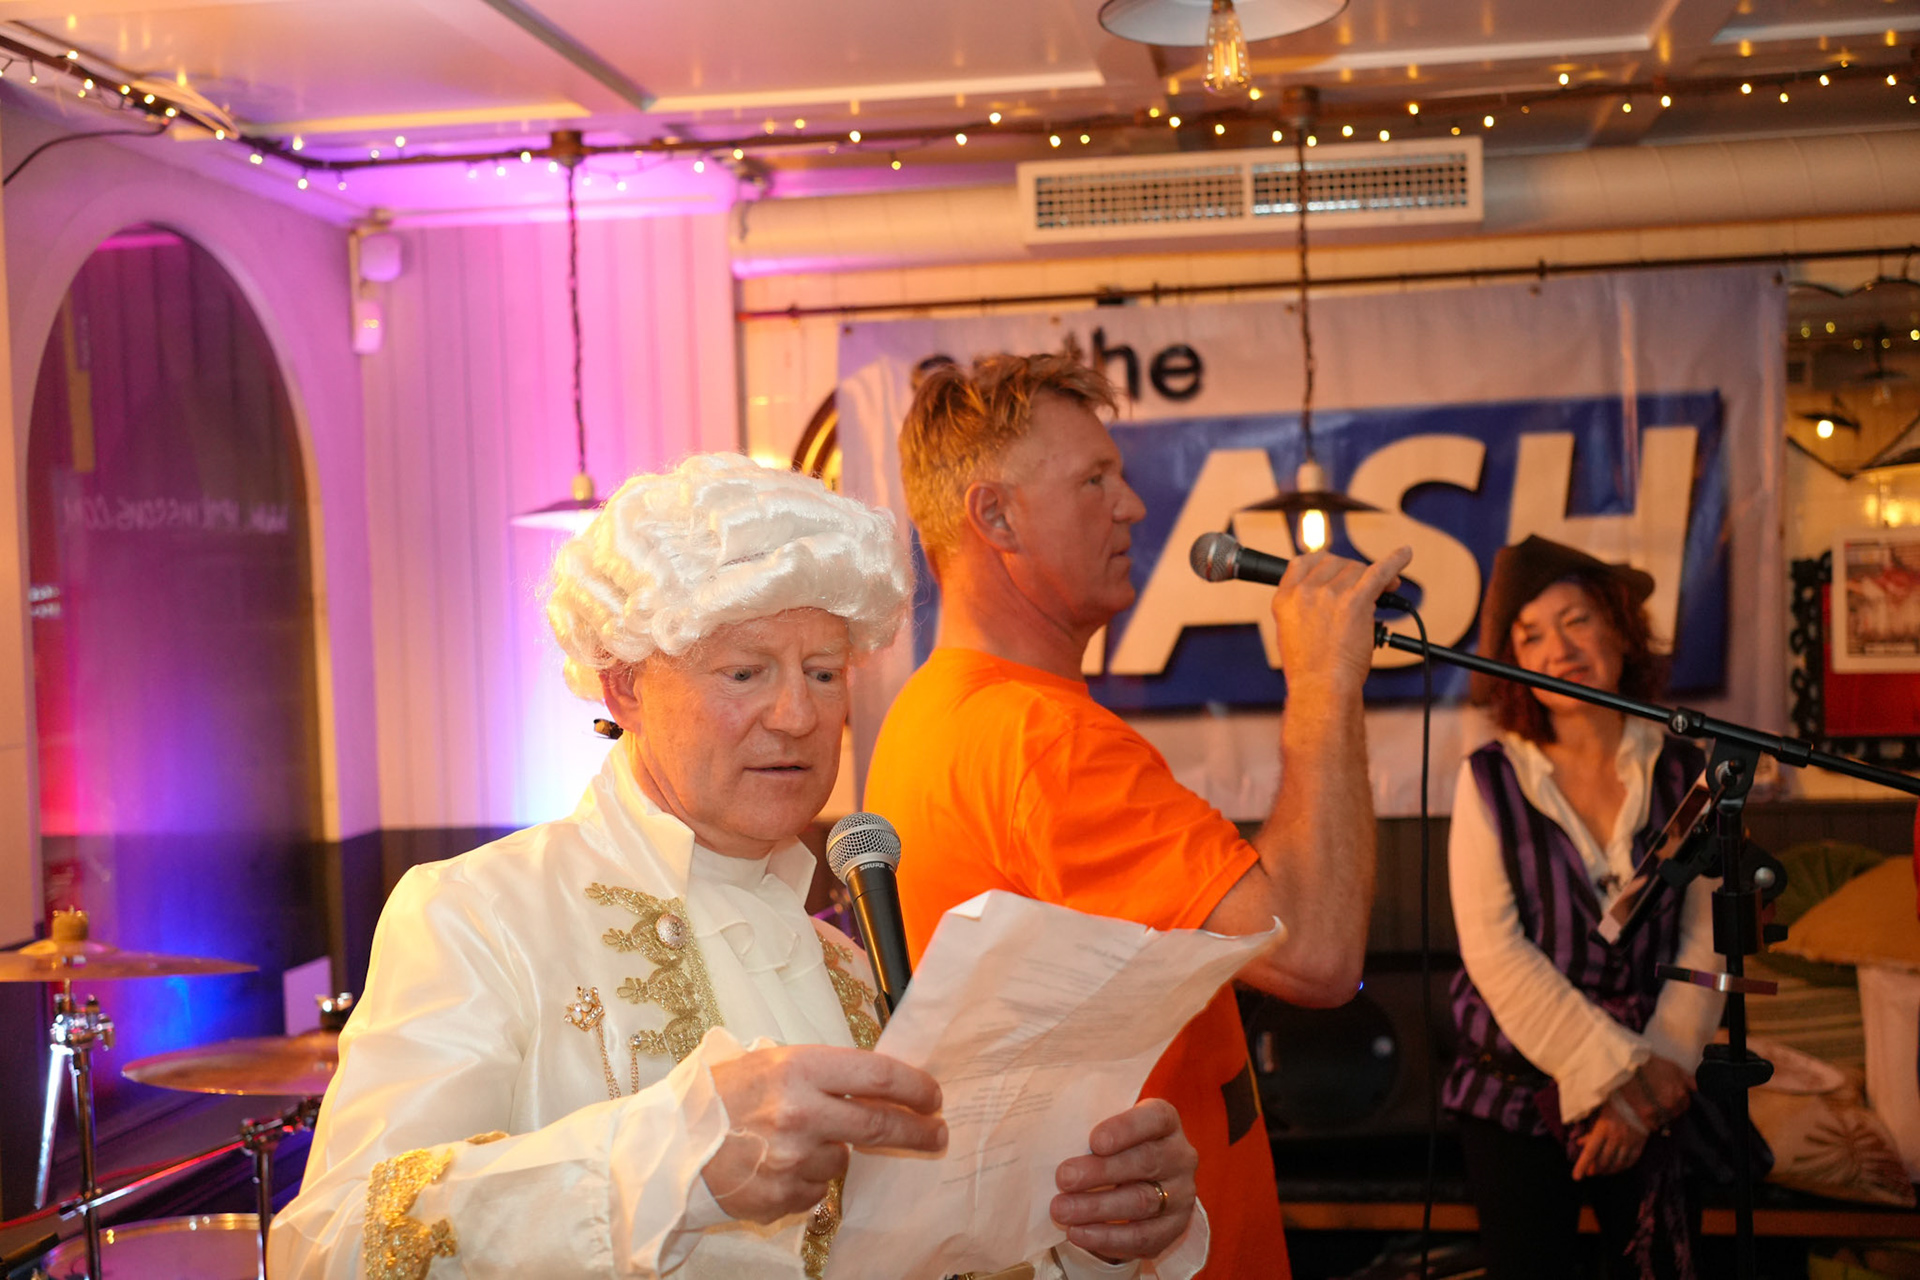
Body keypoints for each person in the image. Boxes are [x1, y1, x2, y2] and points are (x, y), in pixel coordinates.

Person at [270, 453, 1207, 1280]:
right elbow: (334, 1245)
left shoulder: (851, 972)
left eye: (824, 673)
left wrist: (1092, 1238)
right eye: (746, 672)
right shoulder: (481, 915)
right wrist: (668, 1161)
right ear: (626, 686)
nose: (798, 717)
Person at [864, 353, 1412, 1279]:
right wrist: (1324, 680)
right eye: (1094, 481)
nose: (1133, 506)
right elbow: (1317, 953)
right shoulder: (1038, 738)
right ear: (995, 517)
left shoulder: (934, 710)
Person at [1443, 535, 1724, 1280]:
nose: (1558, 650)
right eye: (1530, 636)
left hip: (1661, 1084)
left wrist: (1658, 1076)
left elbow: (1708, 939)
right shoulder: (1489, 780)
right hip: (1514, 1096)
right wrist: (1617, 1080)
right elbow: (1496, 954)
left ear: (1620, 631)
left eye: (1576, 621)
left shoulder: (1687, 772)